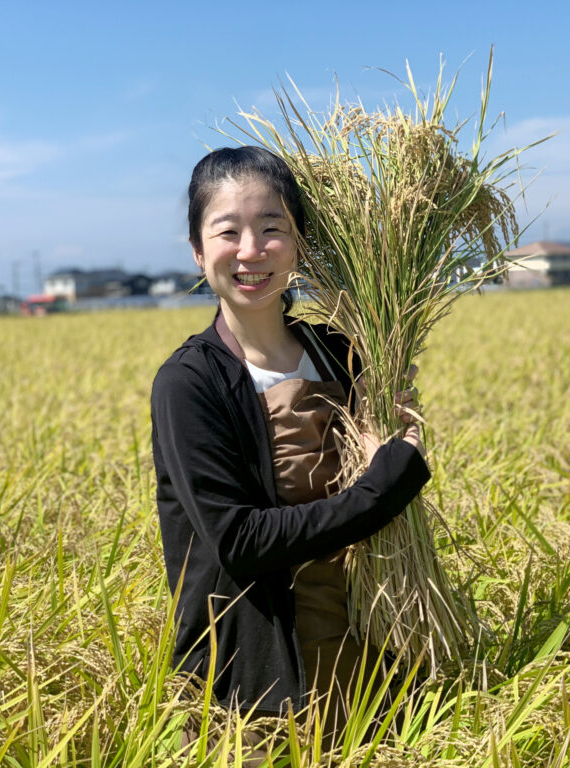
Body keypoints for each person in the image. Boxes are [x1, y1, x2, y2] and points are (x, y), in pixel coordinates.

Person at [151, 146, 429, 755]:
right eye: (228, 232)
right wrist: (382, 491)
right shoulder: (190, 384)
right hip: (257, 689)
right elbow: (240, 543)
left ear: (299, 243)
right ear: (199, 253)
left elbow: (387, 455)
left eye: (272, 229)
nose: (252, 250)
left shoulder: (343, 352)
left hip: (370, 660)